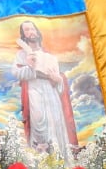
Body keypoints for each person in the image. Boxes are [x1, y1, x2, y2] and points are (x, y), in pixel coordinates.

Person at [14, 20, 78, 159]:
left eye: (32, 29)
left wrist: (58, 79)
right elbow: (17, 72)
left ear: (37, 32)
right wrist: (30, 66)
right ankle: (42, 163)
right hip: (34, 90)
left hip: (51, 92)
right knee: (39, 123)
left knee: (56, 124)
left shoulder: (50, 57)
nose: (31, 32)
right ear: (24, 35)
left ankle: (60, 161)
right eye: (27, 30)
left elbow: (60, 84)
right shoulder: (21, 55)